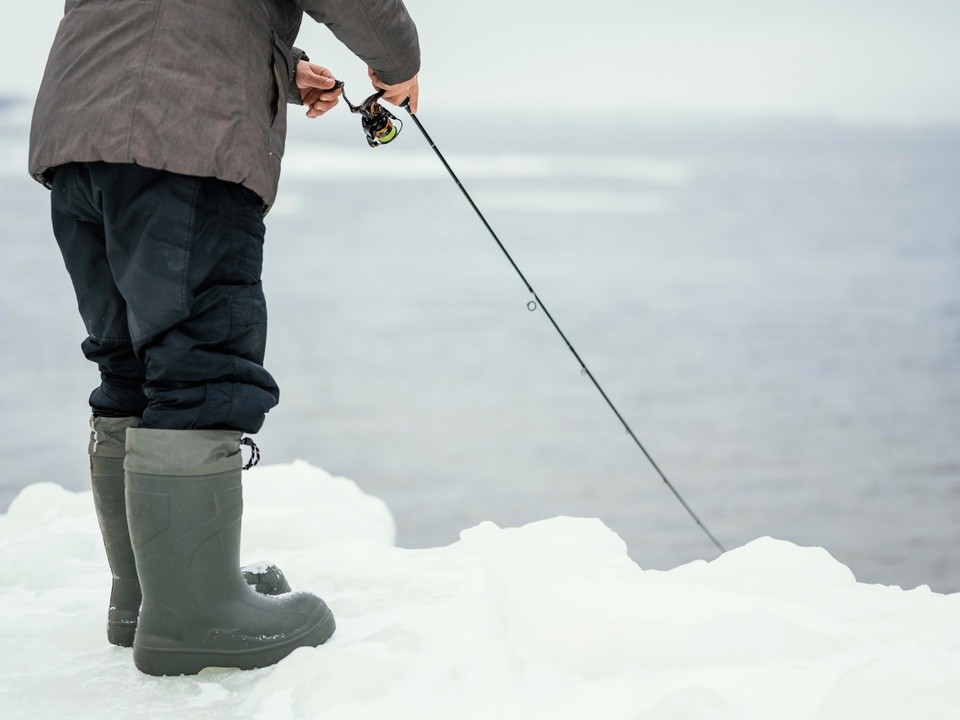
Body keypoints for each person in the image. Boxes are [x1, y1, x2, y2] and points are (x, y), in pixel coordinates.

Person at [28, 0, 420, 676]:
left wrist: (283, 66)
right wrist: (398, 64)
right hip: (183, 142)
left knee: (129, 365)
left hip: (79, 140)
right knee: (197, 365)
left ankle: (152, 595)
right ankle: (192, 617)